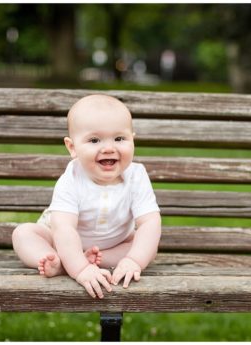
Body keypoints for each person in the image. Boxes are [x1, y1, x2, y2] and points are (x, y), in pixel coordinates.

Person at [12, 94, 162, 299]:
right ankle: (59, 261)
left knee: (147, 247)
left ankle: (80, 263)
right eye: (94, 140)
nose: (109, 147)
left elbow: (150, 222)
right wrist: (81, 270)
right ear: (72, 147)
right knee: (23, 234)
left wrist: (134, 260)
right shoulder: (71, 179)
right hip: (59, 240)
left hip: (112, 244)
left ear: (132, 139)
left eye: (119, 138)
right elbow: (63, 228)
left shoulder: (136, 176)